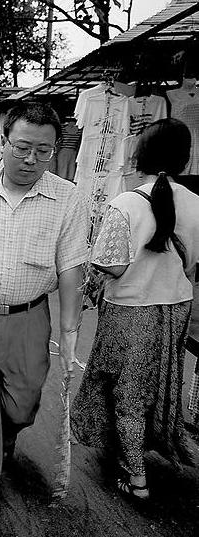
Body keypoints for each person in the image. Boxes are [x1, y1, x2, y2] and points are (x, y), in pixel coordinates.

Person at [0, 101, 88, 526]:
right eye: (22, 148)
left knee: (22, 405)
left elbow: (70, 267)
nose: (31, 159)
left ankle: (6, 438)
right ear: (3, 143)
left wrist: (69, 332)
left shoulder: (67, 199)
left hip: (31, 321)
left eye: (44, 151)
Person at [71, 118, 199, 501]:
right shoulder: (197, 204)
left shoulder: (126, 203)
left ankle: (136, 476)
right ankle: (153, 445)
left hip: (129, 308)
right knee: (159, 381)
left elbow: (112, 264)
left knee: (125, 387)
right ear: (185, 158)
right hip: (176, 307)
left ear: (140, 153)